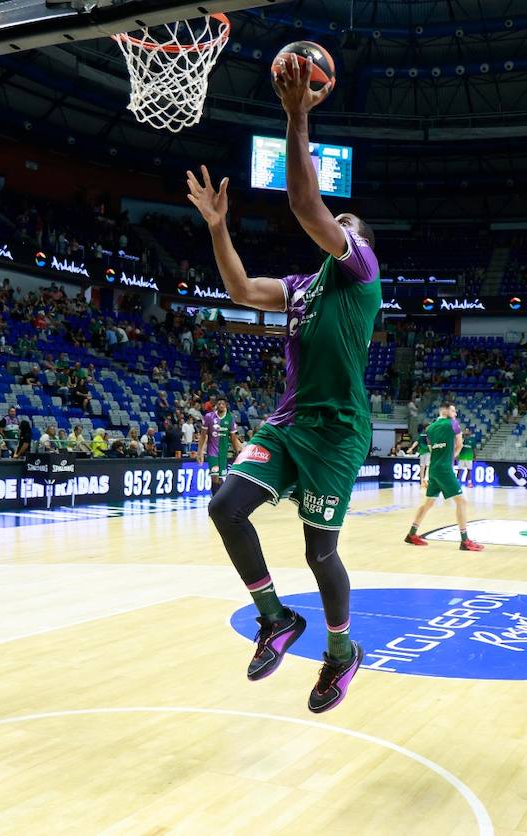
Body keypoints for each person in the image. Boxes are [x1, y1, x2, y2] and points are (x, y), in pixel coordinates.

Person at [186, 54, 380, 713]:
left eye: (346, 225)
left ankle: (340, 653)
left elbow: (304, 203)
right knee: (223, 507)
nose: (338, 226)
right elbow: (239, 287)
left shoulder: (359, 273)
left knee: (320, 552)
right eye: (338, 224)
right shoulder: (299, 288)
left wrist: (297, 118)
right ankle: (275, 618)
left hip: (337, 433)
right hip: (290, 423)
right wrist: (218, 229)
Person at [403, 400, 484, 551]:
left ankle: (412, 534)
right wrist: (451, 456)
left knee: (428, 503)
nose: (455, 414)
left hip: (433, 469)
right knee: (462, 502)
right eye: (453, 411)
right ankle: (465, 540)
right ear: (446, 412)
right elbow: (459, 444)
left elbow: (432, 450)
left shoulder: (430, 428)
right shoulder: (453, 423)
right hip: (445, 469)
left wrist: (427, 475)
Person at [195, 397, 241, 491]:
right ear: (216, 405)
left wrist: (238, 452)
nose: (220, 405)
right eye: (219, 404)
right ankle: (215, 501)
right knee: (214, 476)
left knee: (220, 479)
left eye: (222, 404)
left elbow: (233, 438)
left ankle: (219, 500)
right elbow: (203, 435)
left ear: (226, 406)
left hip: (223, 453)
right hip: (212, 452)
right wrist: (199, 452)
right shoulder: (209, 417)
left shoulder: (230, 419)